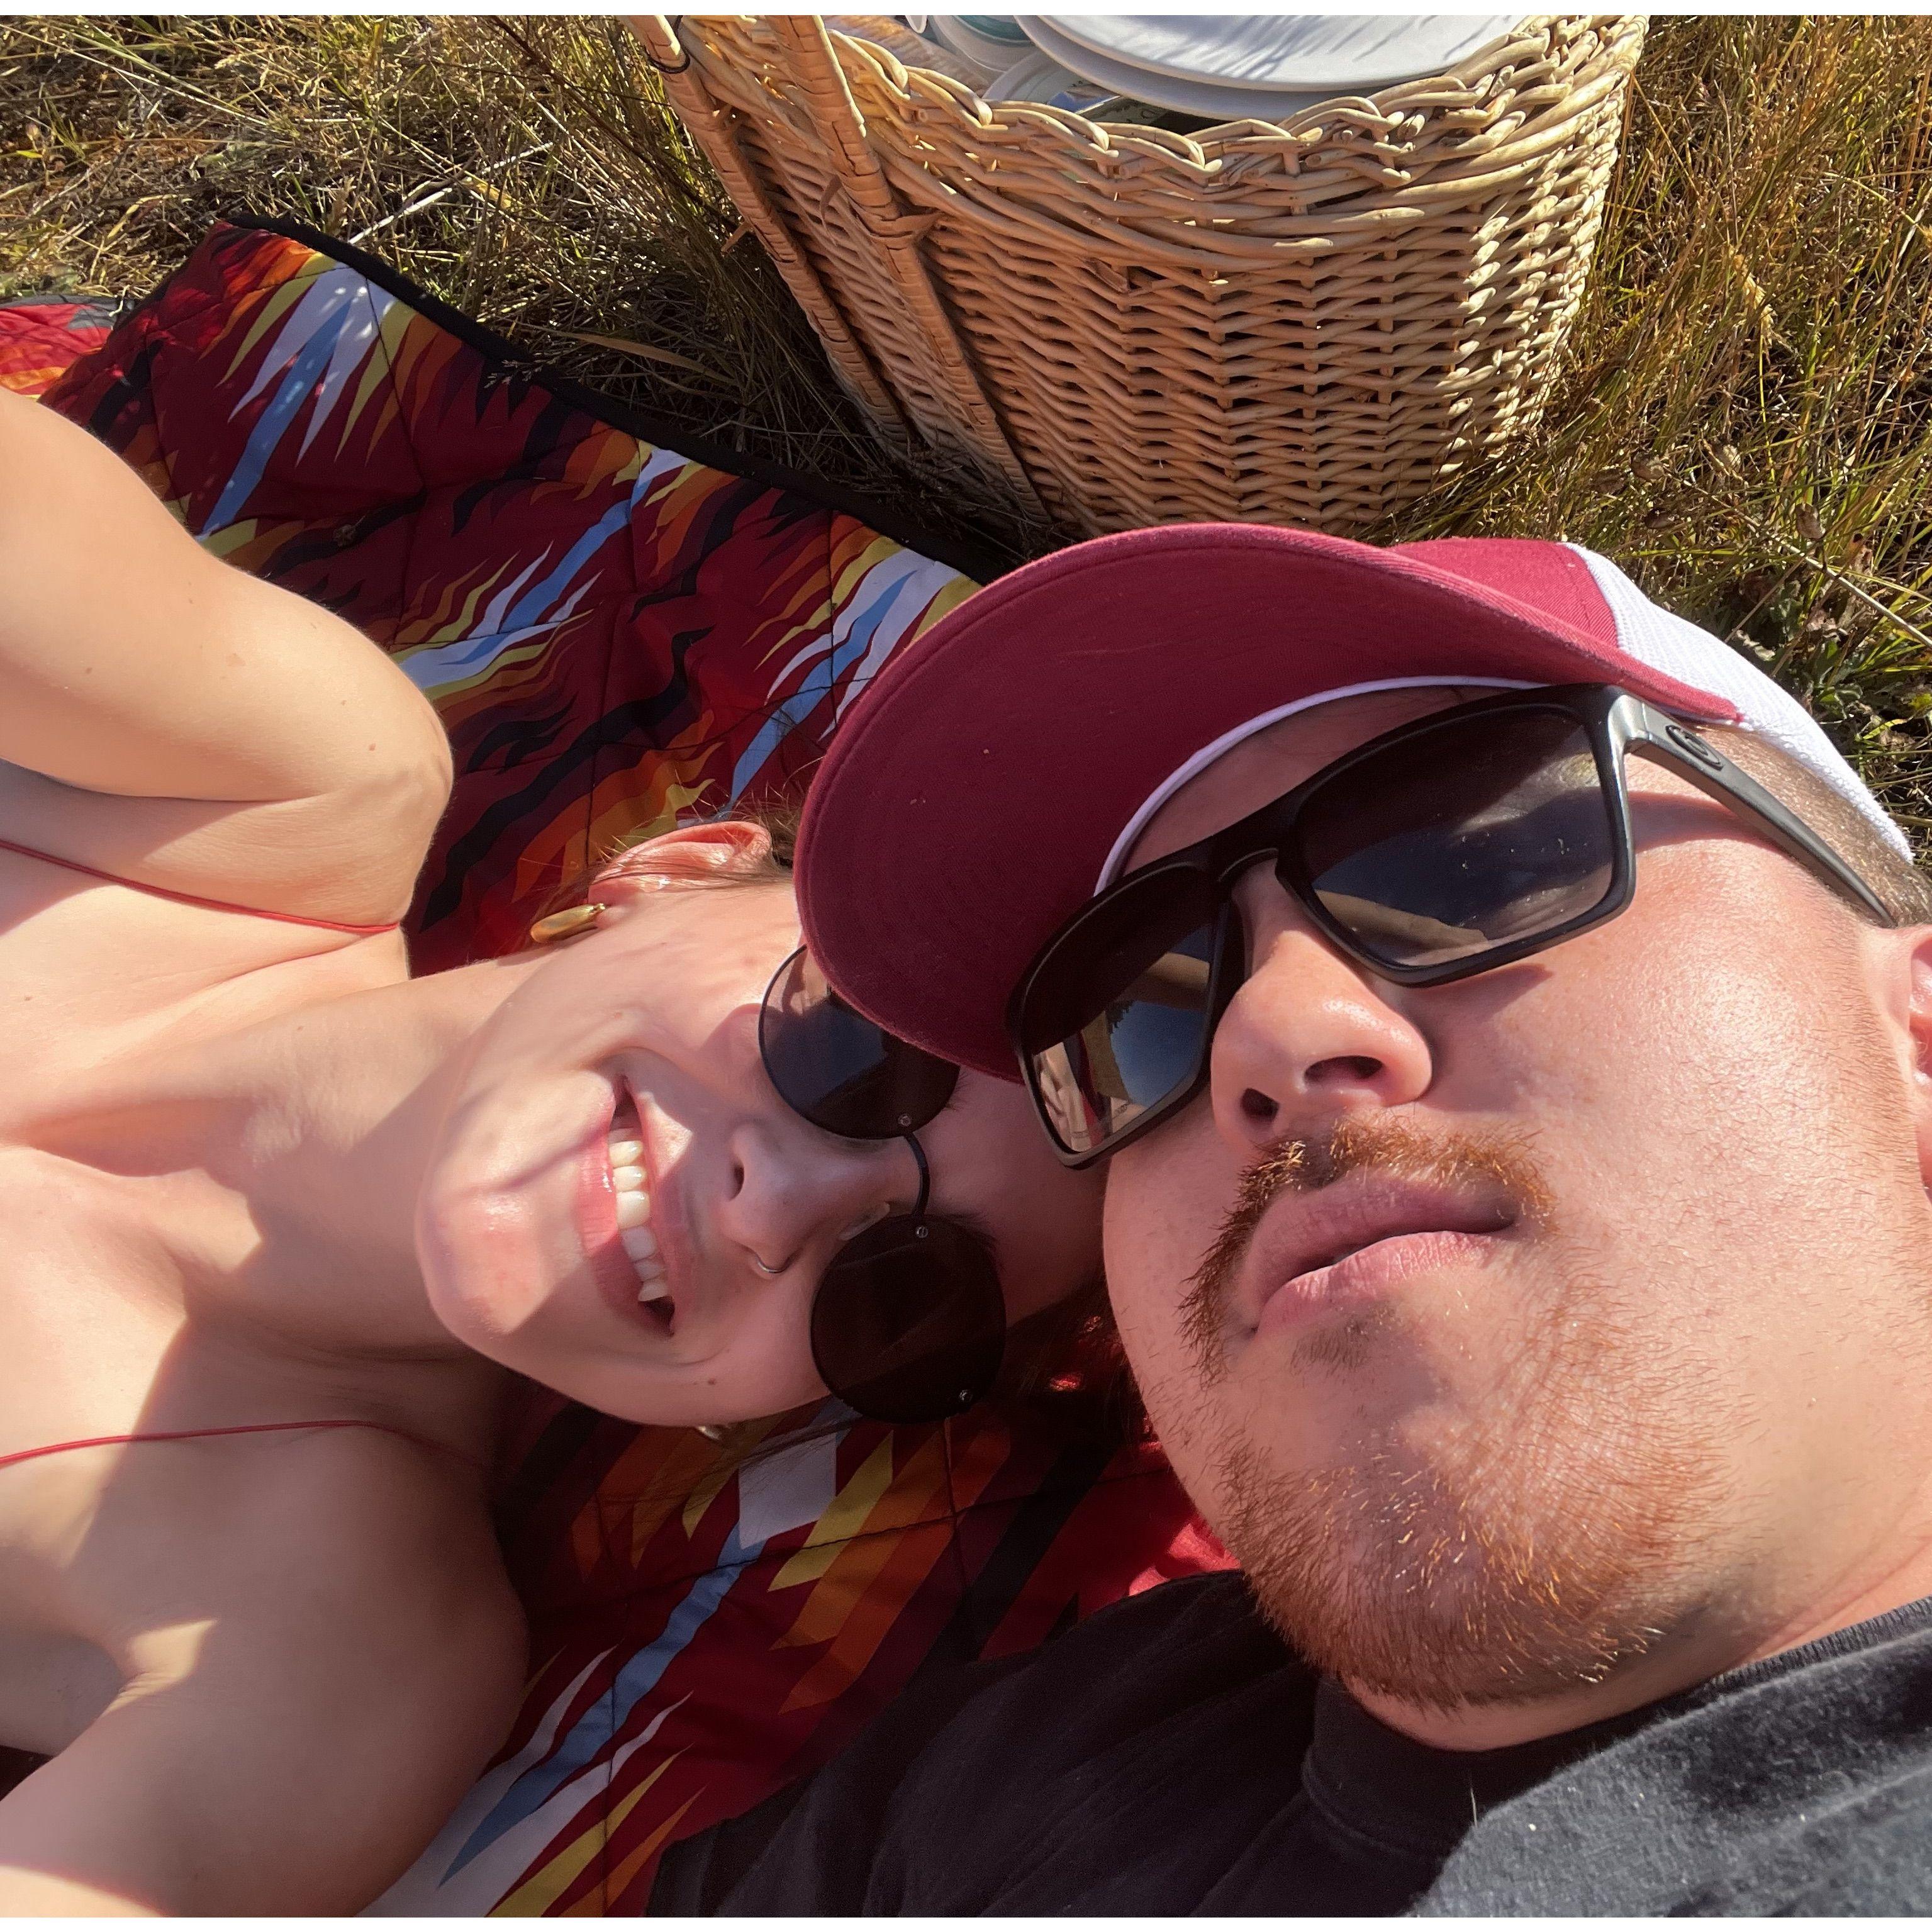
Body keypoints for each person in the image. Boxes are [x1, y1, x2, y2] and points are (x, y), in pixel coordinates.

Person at [652, 521, 1932, 1914]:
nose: (1266, 1031)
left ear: (1917, 1040)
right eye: (1136, 1015)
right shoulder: (987, 1780)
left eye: (1471, 862)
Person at [0, 388, 1105, 1914]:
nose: (781, 1209)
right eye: (856, 1054)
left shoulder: (333, 1638)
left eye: (902, 1295)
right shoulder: (291, 780)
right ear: (679, 871)